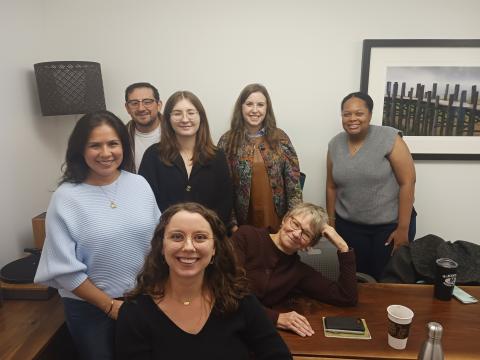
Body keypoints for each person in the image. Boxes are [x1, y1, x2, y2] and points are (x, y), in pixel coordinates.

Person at [34, 110, 160, 360]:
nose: (106, 153)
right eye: (95, 145)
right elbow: (64, 268)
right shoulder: (66, 197)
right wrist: (110, 306)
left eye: (113, 143)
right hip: (90, 309)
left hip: (142, 300)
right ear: (80, 150)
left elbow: (158, 241)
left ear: (124, 146)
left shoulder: (139, 184)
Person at [116, 202, 292, 360]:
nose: (188, 247)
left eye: (200, 237)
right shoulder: (134, 312)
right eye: (177, 236)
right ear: (162, 246)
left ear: (214, 248)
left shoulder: (240, 299)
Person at [326, 91, 416, 281]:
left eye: (359, 113)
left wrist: (403, 229)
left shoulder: (389, 138)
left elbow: (408, 182)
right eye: (346, 114)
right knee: (354, 280)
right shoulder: (334, 144)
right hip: (349, 228)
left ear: (370, 114)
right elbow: (331, 186)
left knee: (385, 281)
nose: (352, 119)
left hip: (387, 229)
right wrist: (331, 224)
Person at [232, 202, 357, 337]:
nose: (297, 234)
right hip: (225, 321)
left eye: (306, 234)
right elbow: (228, 290)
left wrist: (343, 247)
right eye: (295, 224)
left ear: (309, 245)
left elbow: (346, 297)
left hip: (256, 331)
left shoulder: (298, 271)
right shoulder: (247, 236)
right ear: (285, 219)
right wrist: (276, 318)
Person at [139, 91, 233, 227]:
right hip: (167, 237)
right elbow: (147, 203)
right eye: (177, 113)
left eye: (191, 112)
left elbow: (225, 203)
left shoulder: (217, 156)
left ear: (200, 116)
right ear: (168, 119)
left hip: (208, 237)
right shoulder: (153, 156)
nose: (184, 119)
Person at [218, 83, 302, 232]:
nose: (255, 110)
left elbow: (293, 185)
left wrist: (293, 221)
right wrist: (232, 225)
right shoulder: (227, 141)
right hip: (242, 226)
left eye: (260, 105)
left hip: (278, 222)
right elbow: (222, 188)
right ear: (241, 108)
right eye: (249, 104)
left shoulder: (280, 138)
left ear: (267, 108)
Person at [125, 82, 163, 172]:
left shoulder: (175, 132)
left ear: (159, 105)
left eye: (147, 102)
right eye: (134, 103)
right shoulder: (121, 136)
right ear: (127, 108)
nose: (141, 108)